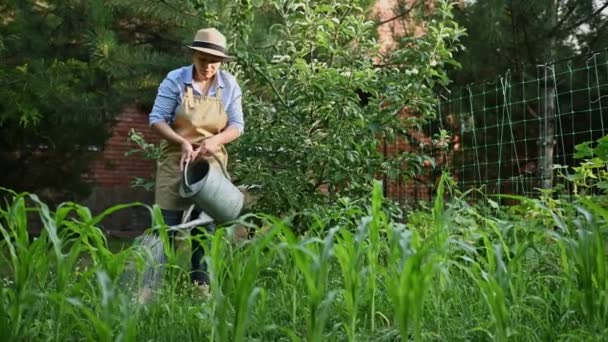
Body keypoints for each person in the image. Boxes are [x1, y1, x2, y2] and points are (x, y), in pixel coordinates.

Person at [147, 28, 244, 296]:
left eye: (215, 62)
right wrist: (182, 142)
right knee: (165, 228)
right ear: (193, 55)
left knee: (205, 229)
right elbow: (156, 119)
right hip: (176, 162)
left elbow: (237, 125)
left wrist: (215, 141)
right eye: (203, 60)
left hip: (211, 166)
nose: (209, 67)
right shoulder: (175, 80)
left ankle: (200, 291)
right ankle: (150, 291)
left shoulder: (229, 85)